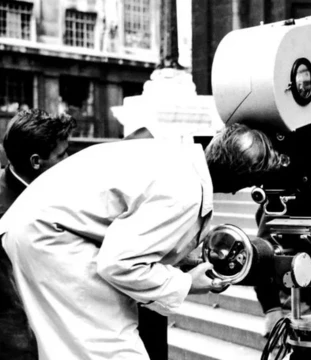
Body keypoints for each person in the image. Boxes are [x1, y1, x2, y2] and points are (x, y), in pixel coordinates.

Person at [0, 123, 284, 360]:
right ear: (238, 182)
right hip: (52, 237)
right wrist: (187, 284)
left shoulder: (175, 158)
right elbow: (119, 263)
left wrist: (184, 261)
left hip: (34, 227)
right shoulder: (184, 191)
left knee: (75, 349)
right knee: (112, 350)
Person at [0, 109, 76, 360]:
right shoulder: (6, 211)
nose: (69, 160)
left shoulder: (56, 190)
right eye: (62, 155)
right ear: (36, 161)